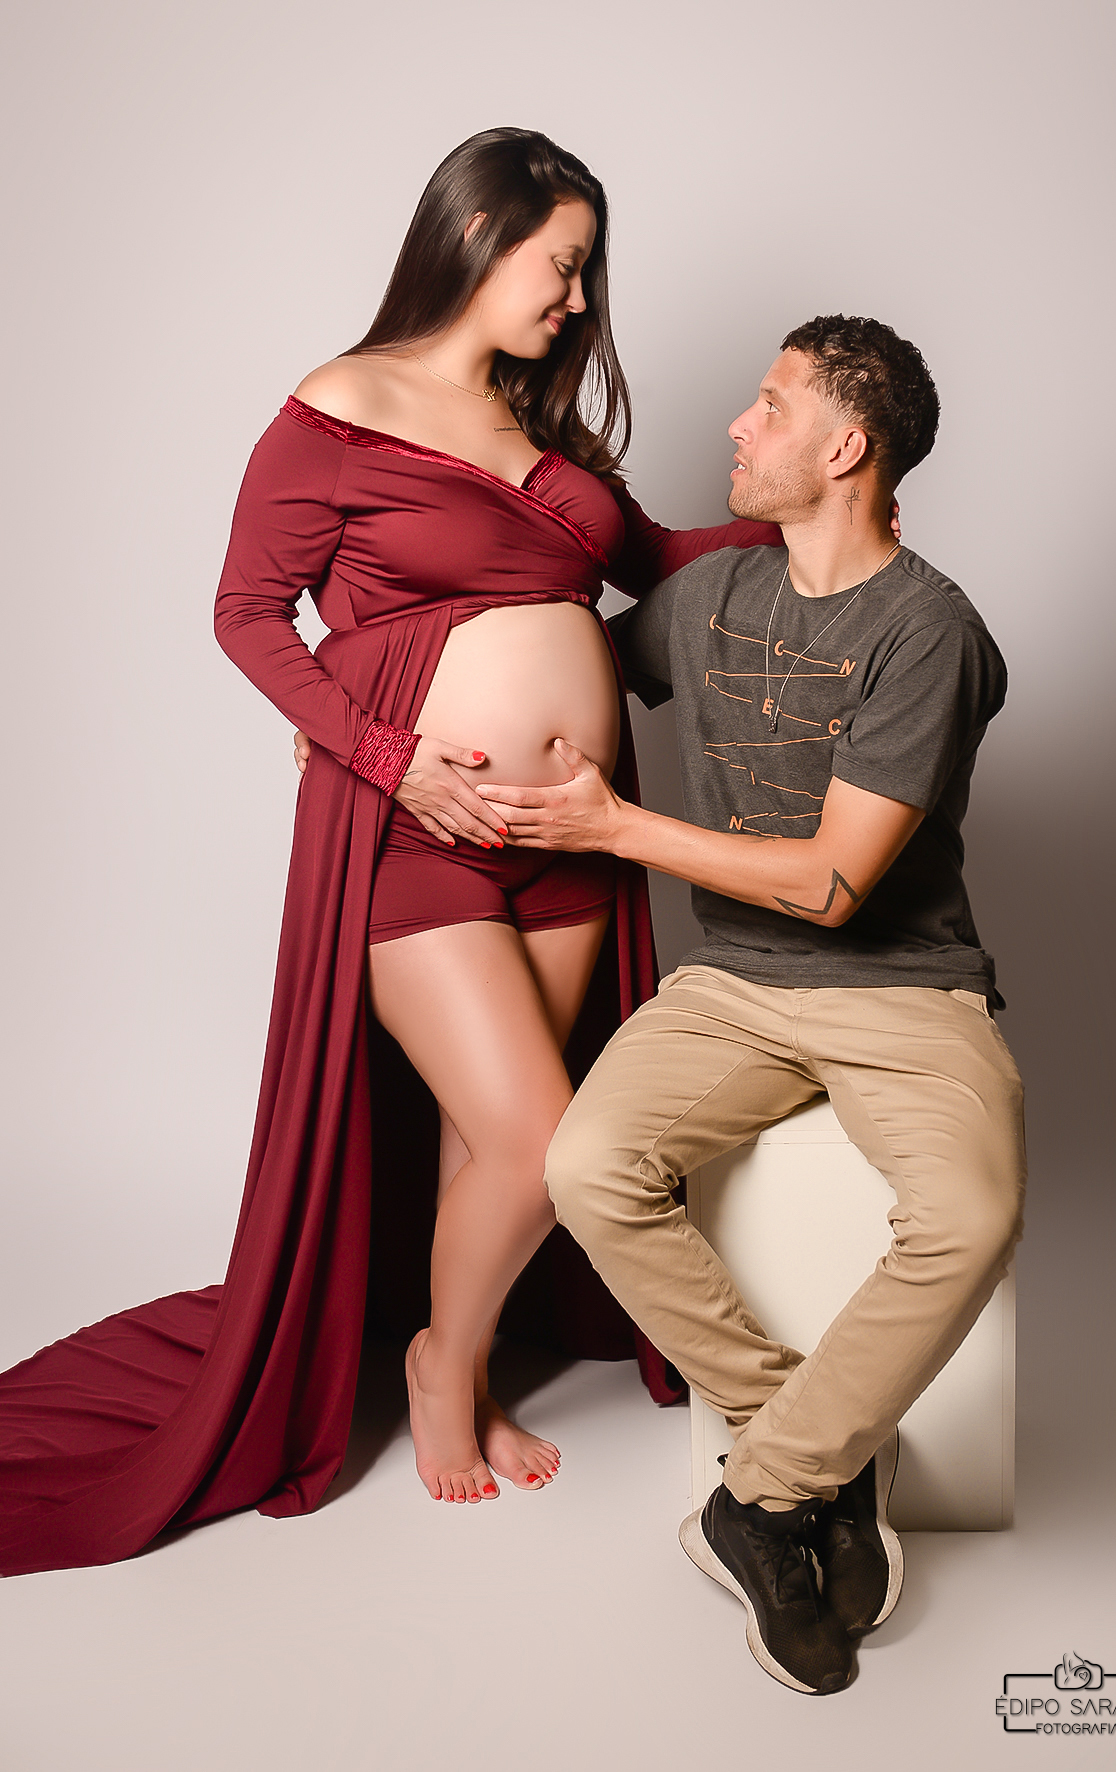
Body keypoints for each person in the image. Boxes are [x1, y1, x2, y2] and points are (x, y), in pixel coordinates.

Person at [0, 128, 783, 1576]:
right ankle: (439, 1366)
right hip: (420, 829)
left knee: (495, 1141)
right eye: (562, 264)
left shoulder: (543, 432)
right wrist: (380, 753)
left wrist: (805, 517)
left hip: (572, 839)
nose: (578, 297)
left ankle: (465, 1360)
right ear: (478, 236)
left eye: (587, 271)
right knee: (543, 1139)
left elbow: (657, 564)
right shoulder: (338, 409)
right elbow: (247, 613)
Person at [476, 315, 1026, 1692]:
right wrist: (372, 711)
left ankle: (760, 1492)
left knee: (969, 1217)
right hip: (731, 989)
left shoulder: (930, 632)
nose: (737, 424)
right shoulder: (710, 596)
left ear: (845, 449)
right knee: (587, 1168)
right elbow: (550, 660)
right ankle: (819, 1456)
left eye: (770, 405)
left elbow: (836, 886)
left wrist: (616, 829)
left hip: (905, 988)